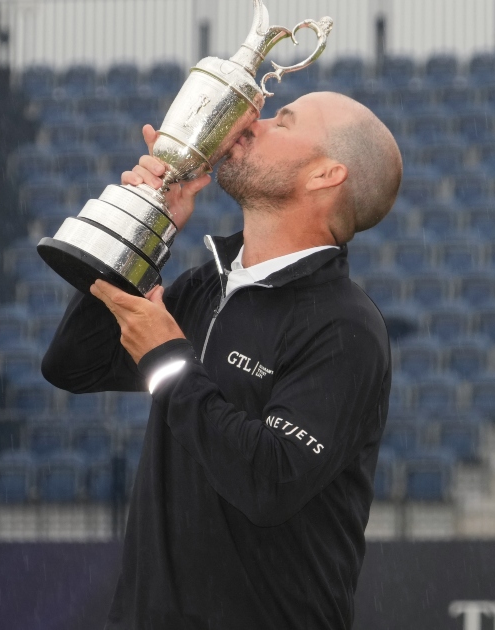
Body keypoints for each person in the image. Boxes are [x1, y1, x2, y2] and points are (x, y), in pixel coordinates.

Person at [42, 91, 402, 629]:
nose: (254, 120)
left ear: (326, 175)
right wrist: (145, 227)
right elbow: (74, 364)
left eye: (286, 120)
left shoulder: (346, 327)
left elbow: (269, 482)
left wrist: (169, 361)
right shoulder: (209, 284)